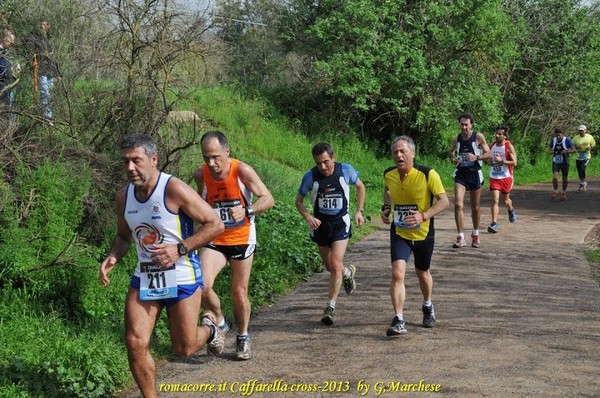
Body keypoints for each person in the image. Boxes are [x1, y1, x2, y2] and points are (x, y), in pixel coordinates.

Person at [99, 134, 225, 398]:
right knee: (135, 342)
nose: (130, 168)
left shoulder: (173, 189)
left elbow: (215, 224)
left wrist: (180, 249)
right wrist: (112, 257)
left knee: (185, 348)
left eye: (137, 161)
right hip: (145, 276)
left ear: (153, 160)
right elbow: (124, 236)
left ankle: (212, 329)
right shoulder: (123, 197)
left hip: (181, 275)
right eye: (125, 162)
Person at [193, 131, 274, 360]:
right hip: (215, 238)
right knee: (201, 286)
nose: (211, 163)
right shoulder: (201, 174)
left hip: (241, 237)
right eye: (206, 157)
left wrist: (247, 210)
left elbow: (268, 198)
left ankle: (243, 336)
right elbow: (199, 203)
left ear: (227, 152)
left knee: (239, 292)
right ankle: (220, 321)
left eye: (216, 157)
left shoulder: (242, 171)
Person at [381, 136, 449, 336]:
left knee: (422, 272)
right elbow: (387, 191)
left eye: (403, 151)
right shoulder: (389, 174)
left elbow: (444, 201)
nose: (399, 155)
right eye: (395, 152)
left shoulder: (428, 174)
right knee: (397, 273)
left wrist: (423, 215)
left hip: (423, 234)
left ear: (412, 153)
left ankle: (427, 305)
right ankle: (399, 319)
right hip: (400, 231)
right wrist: (386, 208)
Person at [295, 142, 366, 325]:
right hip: (320, 226)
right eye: (319, 163)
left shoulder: (345, 170)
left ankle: (330, 307)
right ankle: (347, 272)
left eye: (326, 161)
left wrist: (359, 211)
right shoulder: (310, 177)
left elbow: (360, 187)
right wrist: (308, 217)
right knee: (330, 267)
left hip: (341, 223)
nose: (323, 167)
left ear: (333, 157)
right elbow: (299, 201)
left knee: (334, 264)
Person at [447, 113, 490, 248]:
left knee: (475, 207)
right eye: (462, 124)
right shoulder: (457, 139)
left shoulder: (478, 137)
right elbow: (450, 152)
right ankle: (460, 237)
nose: (464, 127)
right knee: (458, 204)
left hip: (474, 174)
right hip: (461, 174)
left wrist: (476, 157)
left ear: (471, 124)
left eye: (466, 124)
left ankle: (475, 234)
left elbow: (489, 153)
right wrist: (453, 159)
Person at [487, 125, 518, 233]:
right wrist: (489, 162)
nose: (497, 135)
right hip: (494, 176)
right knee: (495, 199)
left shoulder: (508, 146)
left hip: (506, 177)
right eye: (496, 133)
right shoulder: (492, 145)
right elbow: (488, 159)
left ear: (505, 136)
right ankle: (494, 223)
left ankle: (511, 210)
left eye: (500, 134)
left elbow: (514, 163)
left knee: (505, 200)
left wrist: (502, 161)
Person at [27, 19, 58, 122]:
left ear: (48, 26)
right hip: (41, 69)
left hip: (50, 70)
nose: (42, 27)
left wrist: (57, 73)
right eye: (41, 25)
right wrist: (42, 54)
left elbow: (54, 57)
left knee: (50, 93)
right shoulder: (34, 37)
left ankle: (48, 116)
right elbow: (31, 51)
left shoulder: (50, 39)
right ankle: (46, 117)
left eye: (44, 25)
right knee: (44, 92)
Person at [549, 127, 576, 200]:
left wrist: (566, 151)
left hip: (565, 161)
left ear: (562, 134)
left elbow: (574, 150)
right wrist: (550, 151)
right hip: (556, 161)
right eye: (556, 135)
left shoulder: (567, 140)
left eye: (559, 135)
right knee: (555, 177)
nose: (558, 137)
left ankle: (563, 192)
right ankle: (555, 191)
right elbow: (550, 149)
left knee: (565, 178)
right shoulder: (553, 140)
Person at [572, 125, 596, 192]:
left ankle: (583, 182)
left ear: (585, 130)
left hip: (586, 156)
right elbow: (571, 146)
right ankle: (583, 182)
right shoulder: (575, 138)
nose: (581, 132)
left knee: (582, 168)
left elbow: (593, 144)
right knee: (579, 170)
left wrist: (590, 147)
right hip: (578, 156)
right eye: (579, 130)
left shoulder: (589, 137)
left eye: (582, 130)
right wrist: (577, 147)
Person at [0, 29, 16, 127]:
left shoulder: (8, 53)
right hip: (1, 85)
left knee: (10, 108)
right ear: (4, 38)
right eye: (10, 40)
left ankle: (10, 131)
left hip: (9, 84)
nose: (12, 43)